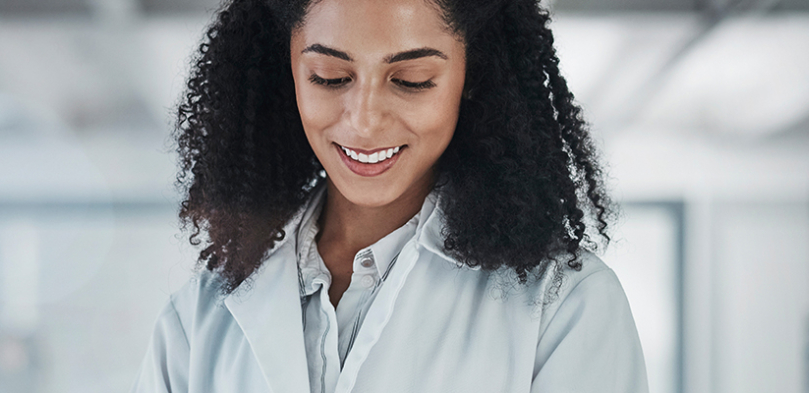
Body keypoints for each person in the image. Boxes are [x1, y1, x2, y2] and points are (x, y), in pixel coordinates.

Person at [133, 0, 648, 391]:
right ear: (285, 69)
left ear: (473, 76)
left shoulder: (565, 308)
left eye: (411, 80)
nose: (364, 120)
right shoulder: (197, 323)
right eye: (330, 77)